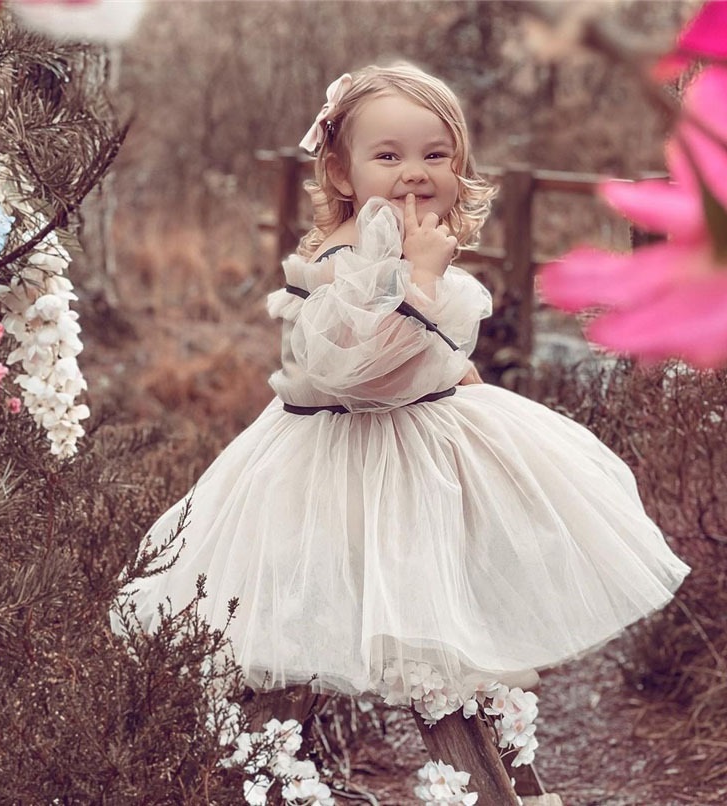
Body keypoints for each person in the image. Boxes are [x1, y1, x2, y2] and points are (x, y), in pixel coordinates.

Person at [114, 62, 689, 788]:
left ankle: (504, 778)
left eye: (435, 154)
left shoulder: (406, 236)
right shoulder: (345, 257)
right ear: (342, 171)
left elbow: (432, 352)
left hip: (421, 448)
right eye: (388, 155)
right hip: (343, 463)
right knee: (410, 646)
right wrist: (418, 279)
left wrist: (464, 374)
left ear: (460, 165)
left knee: (457, 615)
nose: (415, 173)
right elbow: (358, 374)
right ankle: (411, 780)